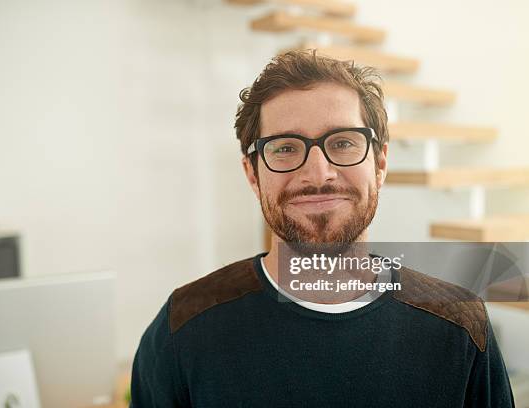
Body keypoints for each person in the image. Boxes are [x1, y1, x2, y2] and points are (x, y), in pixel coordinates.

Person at [129, 49, 514, 407]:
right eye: (285, 148)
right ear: (252, 174)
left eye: (343, 142)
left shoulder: (460, 324)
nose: (318, 174)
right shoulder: (184, 324)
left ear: (380, 165)